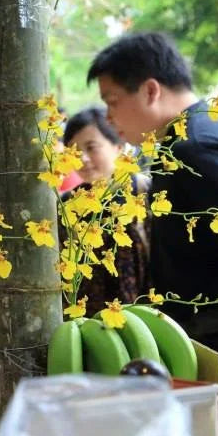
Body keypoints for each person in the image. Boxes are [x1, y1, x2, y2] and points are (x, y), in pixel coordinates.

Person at [87, 32, 218, 419]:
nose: (109, 118)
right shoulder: (197, 134)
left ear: (151, 90)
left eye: (112, 102)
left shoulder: (192, 149)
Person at [61, 106, 150, 317]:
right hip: (87, 321)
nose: (83, 158)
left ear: (118, 146)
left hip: (146, 316)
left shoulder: (145, 193)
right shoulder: (68, 205)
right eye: (74, 151)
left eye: (91, 147)